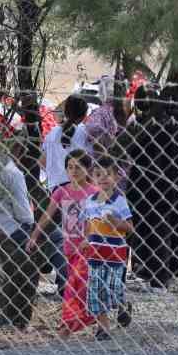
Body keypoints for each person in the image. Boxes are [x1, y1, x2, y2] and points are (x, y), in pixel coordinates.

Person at [124, 83, 178, 291]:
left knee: (154, 229)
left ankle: (157, 274)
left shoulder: (145, 123)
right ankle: (164, 270)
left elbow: (132, 150)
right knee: (165, 227)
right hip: (168, 182)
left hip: (147, 183)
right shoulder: (174, 120)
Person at [29, 149, 98, 336]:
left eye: (78, 167)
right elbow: (47, 215)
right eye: (70, 167)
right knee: (77, 285)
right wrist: (35, 235)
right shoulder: (61, 191)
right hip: (69, 248)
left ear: (88, 169)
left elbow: (100, 220)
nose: (74, 171)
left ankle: (67, 327)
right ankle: (90, 317)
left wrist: (89, 238)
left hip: (88, 248)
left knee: (73, 286)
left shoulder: (94, 193)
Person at [39, 95, 93, 289]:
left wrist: (54, 174)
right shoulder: (84, 133)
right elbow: (90, 162)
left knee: (63, 238)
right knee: (75, 238)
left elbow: (42, 161)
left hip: (55, 190)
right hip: (76, 190)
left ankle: (65, 280)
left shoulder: (52, 133)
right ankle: (72, 282)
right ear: (85, 114)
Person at [0, 149, 38, 328]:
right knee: (25, 274)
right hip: (14, 229)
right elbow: (24, 213)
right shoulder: (13, 173)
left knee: (7, 273)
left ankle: (10, 316)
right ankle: (18, 318)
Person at [82, 157, 134, 341]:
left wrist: (115, 221)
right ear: (93, 178)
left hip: (115, 254)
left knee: (112, 289)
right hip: (95, 254)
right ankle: (103, 328)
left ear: (116, 177)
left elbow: (130, 227)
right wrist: (86, 240)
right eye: (98, 175)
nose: (103, 178)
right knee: (96, 290)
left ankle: (123, 304)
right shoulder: (89, 201)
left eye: (107, 174)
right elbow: (88, 224)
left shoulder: (119, 201)